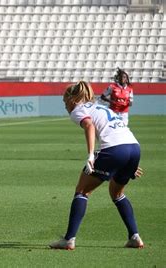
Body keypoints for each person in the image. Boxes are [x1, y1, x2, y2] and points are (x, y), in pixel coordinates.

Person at [49, 81, 144, 250]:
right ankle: (134, 236)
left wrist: (91, 155)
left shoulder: (79, 110)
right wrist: (127, 164)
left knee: (82, 191)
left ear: (72, 99)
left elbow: (89, 125)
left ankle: (69, 239)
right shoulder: (101, 107)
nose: (65, 106)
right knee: (117, 193)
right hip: (133, 148)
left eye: (65, 102)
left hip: (115, 149)